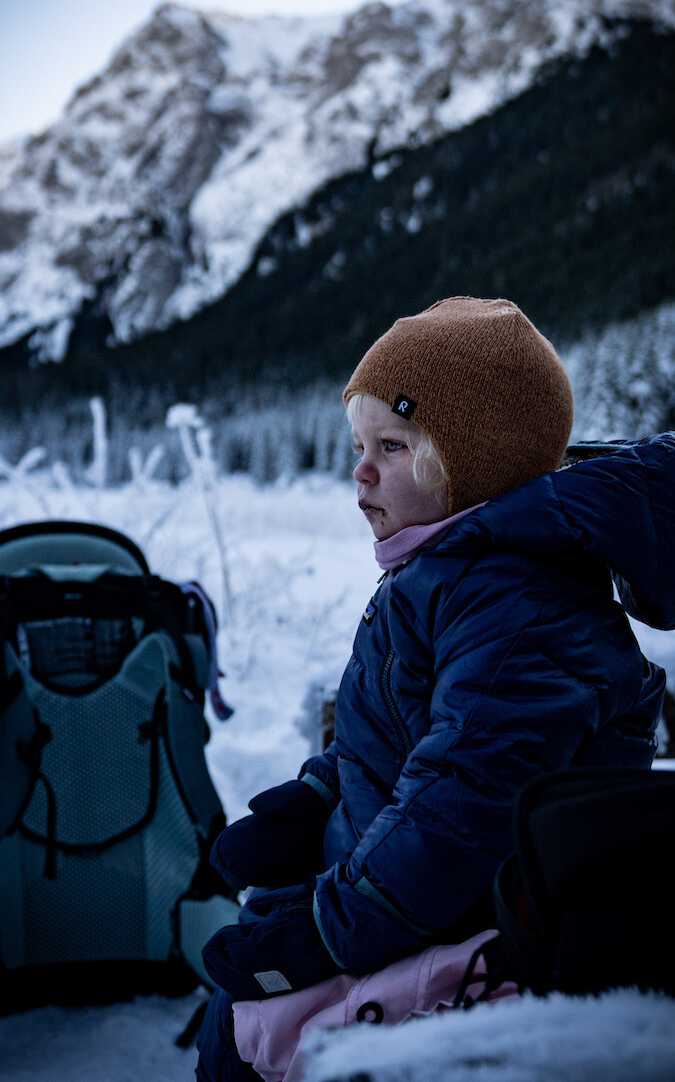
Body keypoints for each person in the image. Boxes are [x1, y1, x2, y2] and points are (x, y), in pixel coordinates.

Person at [196, 297, 674, 1082]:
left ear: (475, 463)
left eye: (391, 445)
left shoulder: (521, 604)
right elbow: (409, 728)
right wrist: (320, 792)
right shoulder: (452, 574)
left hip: (484, 929)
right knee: (240, 1013)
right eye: (358, 446)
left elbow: (463, 801)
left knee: (253, 1031)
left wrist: (327, 928)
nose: (360, 471)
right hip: (420, 898)